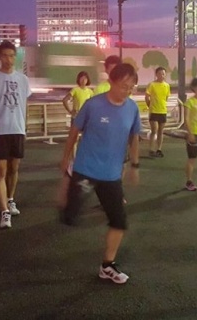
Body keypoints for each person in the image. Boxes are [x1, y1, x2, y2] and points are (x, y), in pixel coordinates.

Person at [59, 63, 141, 284]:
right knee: (69, 217)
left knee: (119, 221)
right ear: (111, 82)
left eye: (131, 87)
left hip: (111, 175)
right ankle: (68, 187)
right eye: (124, 86)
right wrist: (65, 158)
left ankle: (107, 265)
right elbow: (74, 131)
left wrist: (135, 165)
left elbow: (134, 137)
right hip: (86, 169)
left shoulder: (132, 108)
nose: (127, 91)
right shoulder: (93, 105)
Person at [0, 41, 32, 229]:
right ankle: (4, 212)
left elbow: (25, 106)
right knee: (1, 170)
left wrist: (25, 128)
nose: (8, 59)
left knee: (14, 168)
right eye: (4, 55)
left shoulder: (23, 79)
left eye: (11, 55)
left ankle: (10, 199)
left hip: (17, 129)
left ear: (15, 57)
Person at [145, 67, 170, 158]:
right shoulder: (152, 85)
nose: (161, 75)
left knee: (160, 131)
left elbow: (166, 98)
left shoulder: (167, 85)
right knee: (154, 129)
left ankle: (159, 149)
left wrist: (162, 105)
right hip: (154, 111)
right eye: (159, 73)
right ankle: (151, 150)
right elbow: (147, 97)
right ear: (156, 74)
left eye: (163, 74)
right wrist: (150, 106)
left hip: (163, 111)